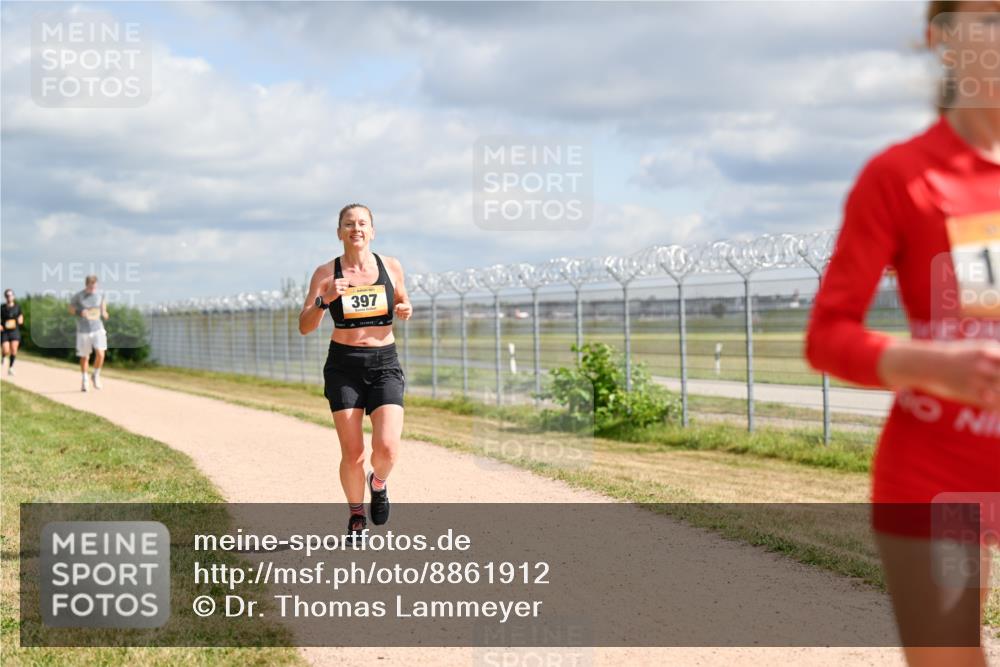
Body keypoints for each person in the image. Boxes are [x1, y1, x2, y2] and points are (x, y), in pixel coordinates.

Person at [805, 3, 999, 665]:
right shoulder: (903, 177)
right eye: (994, 18)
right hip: (937, 479)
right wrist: (933, 365)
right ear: (942, 40)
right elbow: (827, 336)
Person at [298, 204, 412, 544]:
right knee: (353, 453)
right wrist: (324, 300)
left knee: (388, 448)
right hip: (344, 366)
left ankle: (378, 484)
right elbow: (304, 326)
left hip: (385, 364)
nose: (356, 228)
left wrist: (406, 309)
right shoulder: (324, 273)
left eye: (362, 223)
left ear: (372, 231)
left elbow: (403, 302)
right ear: (339, 232)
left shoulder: (391, 267)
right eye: (349, 224)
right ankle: (357, 514)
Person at [68, 275, 109, 392]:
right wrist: (80, 311)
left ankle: (96, 375)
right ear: (87, 285)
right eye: (91, 286)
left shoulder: (100, 295)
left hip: (98, 328)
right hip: (83, 330)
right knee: (85, 356)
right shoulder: (79, 296)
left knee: (101, 353)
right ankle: (84, 379)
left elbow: (103, 309)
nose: (93, 289)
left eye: (95, 286)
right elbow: (70, 309)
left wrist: (105, 314)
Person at [1, 289, 24, 376]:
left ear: (13, 296)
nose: (9, 297)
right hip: (5, 332)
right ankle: (3, 356)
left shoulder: (17, 307)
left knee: (14, 350)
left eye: (10, 295)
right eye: (7, 295)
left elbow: (21, 316)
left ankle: (11, 368)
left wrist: (20, 320)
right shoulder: (2, 307)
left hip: (14, 331)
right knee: (6, 350)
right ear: (5, 297)